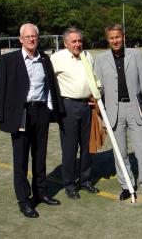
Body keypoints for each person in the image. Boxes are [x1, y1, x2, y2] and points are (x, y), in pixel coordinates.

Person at [0, 23, 64, 218]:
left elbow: (51, 86)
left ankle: (41, 193)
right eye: (28, 37)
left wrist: (55, 111)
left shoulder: (44, 59)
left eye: (34, 36)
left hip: (41, 112)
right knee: (21, 160)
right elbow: (0, 90)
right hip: (21, 115)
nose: (31, 39)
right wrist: (0, 116)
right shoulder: (8, 60)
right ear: (20, 39)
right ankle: (24, 200)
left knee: (40, 157)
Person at [94, 24, 142, 202]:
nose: (115, 41)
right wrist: (100, 109)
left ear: (123, 37)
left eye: (117, 37)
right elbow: (100, 88)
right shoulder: (100, 59)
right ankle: (127, 185)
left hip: (135, 108)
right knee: (119, 152)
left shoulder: (136, 55)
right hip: (113, 111)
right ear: (107, 40)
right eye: (111, 38)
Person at [50, 27, 100, 200]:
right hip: (68, 107)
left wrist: (97, 91)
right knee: (70, 148)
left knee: (87, 146)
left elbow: (93, 78)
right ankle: (69, 184)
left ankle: (85, 180)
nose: (78, 44)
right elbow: (48, 81)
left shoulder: (87, 56)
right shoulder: (57, 58)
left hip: (87, 106)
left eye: (79, 41)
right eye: (74, 41)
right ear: (65, 43)